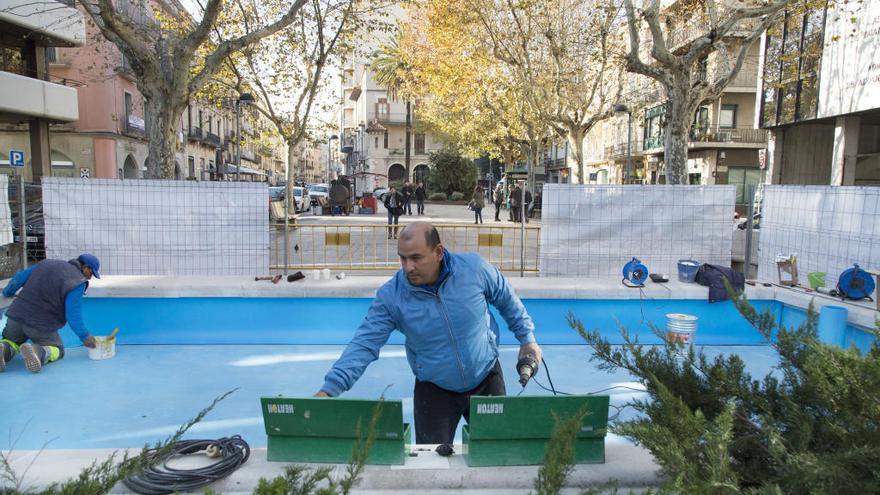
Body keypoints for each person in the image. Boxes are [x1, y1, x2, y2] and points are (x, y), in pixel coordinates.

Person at [314, 222, 542, 444]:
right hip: (434, 391)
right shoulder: (392, 297)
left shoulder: (474, 270)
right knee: (432, 468)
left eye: (416, 258)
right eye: (402, 258)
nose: (407, 267)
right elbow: (364, 345)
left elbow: (506, 299)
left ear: (439, 252)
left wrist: (527, 339)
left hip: (486, 379)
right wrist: (329, 390)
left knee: (496, 453)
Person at [1, 254, 100, 373]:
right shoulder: (78, 282)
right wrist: (84, 336)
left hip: (16, 316)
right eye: (91, 273)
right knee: (57, 349)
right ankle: (39, 352)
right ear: (86, 267)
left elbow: (18, 279)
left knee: (11, 340)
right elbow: (73, 314)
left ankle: (4, 349)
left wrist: (7, 292)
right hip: (41, 325)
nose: (90, 278)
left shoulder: (46, 264)